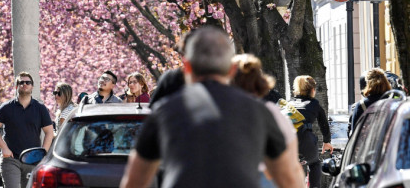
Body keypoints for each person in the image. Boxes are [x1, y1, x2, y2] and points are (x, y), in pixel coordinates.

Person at [120, 26, 299, 188]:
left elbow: (134, 180)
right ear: (231, 69)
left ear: (188, 67)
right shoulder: (260, 112)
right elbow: (288, 178)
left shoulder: (164, 111)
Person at [231, 54, 303, 188]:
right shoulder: (272, 113)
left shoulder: (217, 113)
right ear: (260, 80)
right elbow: (292, 164)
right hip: (267, 178)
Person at [0, 72, 54, 188]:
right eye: (21, 82)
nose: (24, 84)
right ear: (16, 86)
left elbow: (49, 132)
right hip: (11, 159)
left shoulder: (40, 108)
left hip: (33, 159)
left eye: (27, 82)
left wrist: (43, 153)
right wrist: (4, 148)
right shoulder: (7, 107)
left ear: (32, 86)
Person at [290, 75, 333, 188]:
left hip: (288, 141)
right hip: (306, 141)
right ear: (312, 90)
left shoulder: (289, 104)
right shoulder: (314, 104)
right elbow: (324, 124)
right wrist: (326, 142)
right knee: (314, 164)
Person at [350, 68, 391, 134]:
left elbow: (354, 133)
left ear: (368, 84)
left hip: (369, 143)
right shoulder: (393, 103)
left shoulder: (361, 105)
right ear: (386, 82)